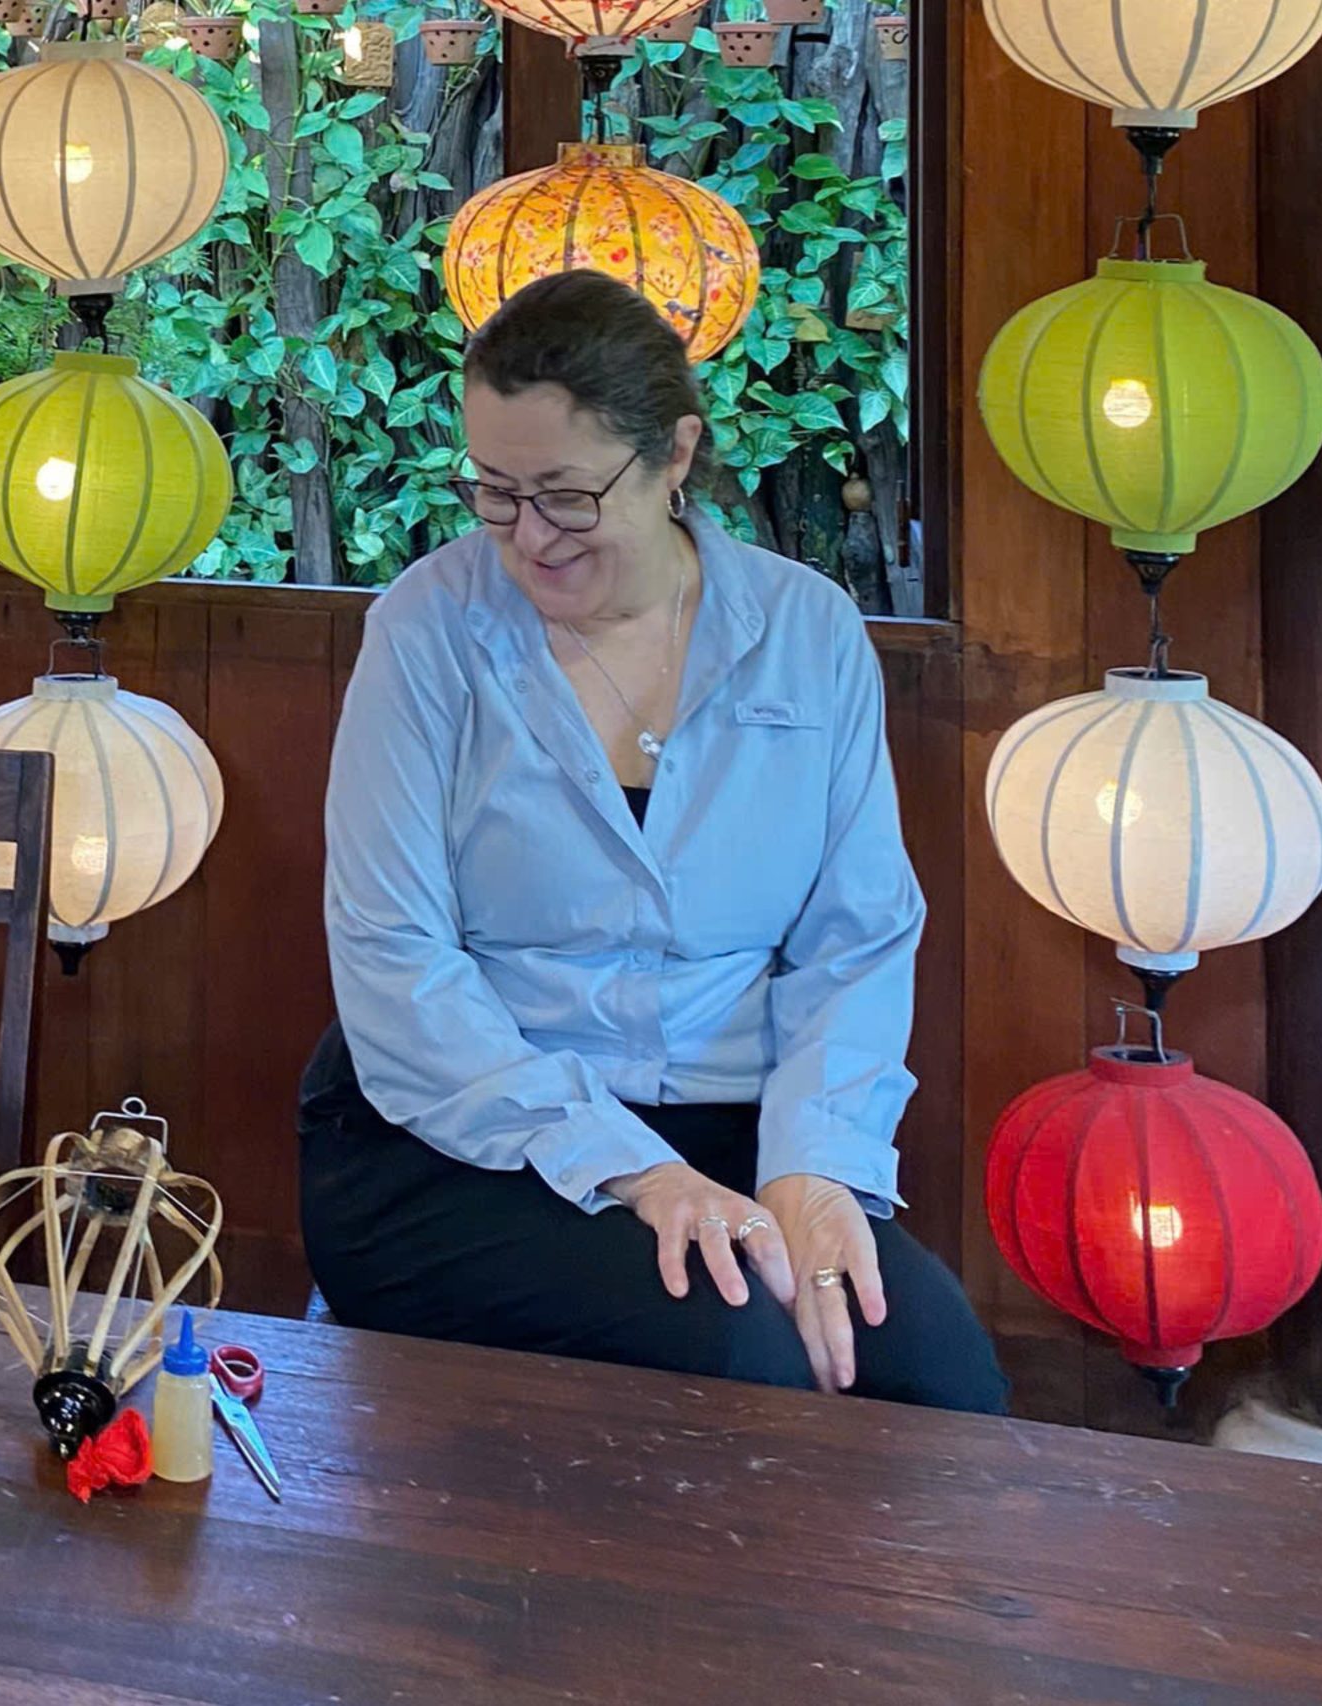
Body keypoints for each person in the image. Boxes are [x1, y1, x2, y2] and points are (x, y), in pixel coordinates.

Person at [300, 270, 1005, 1413]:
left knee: (932, 1368)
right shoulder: (427, 633)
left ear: (674, 453)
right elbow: (395, 965)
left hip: (736, 1125)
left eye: (566, 496)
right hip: (461, 1140)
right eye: (495, 492)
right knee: (737, 1348)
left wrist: (812, 1166)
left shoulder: (806, 632)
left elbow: (856, 941)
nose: (528, 537)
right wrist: (633, 1168)